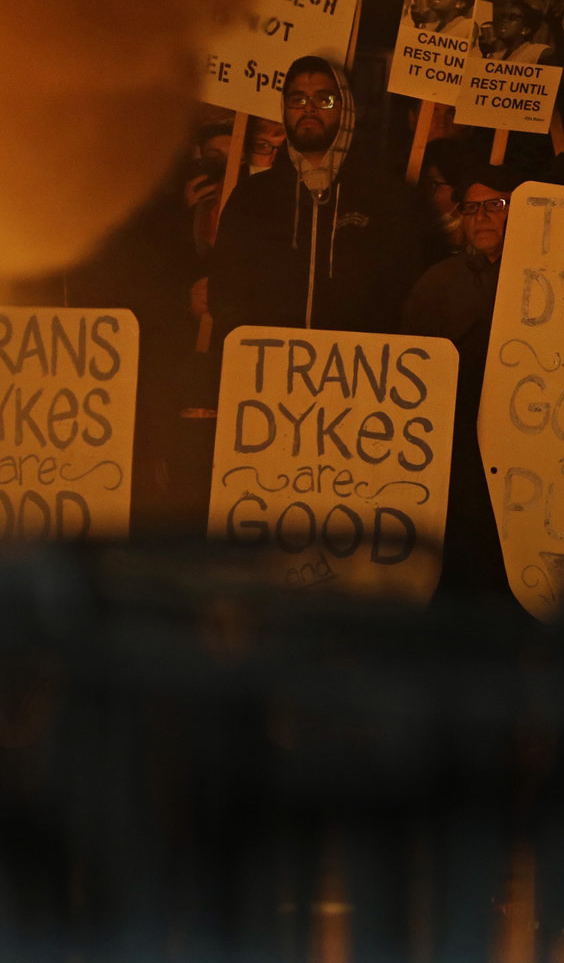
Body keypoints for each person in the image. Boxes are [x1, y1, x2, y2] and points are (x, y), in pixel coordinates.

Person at [209, 56, 431, 337]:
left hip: (356, 369)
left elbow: (407, 295)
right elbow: (226, 294)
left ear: (346, 109)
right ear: (284, 108)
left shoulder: (387, 197)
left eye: (324, 99)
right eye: (298, 100)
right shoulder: (252, 197)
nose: (309, 108)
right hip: (267, 368)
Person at [402, 165, 520, 594]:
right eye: (471, 208)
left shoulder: (544, 282)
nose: (483, 216)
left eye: (496, 205)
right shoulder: (436, 285)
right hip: (455, 461)